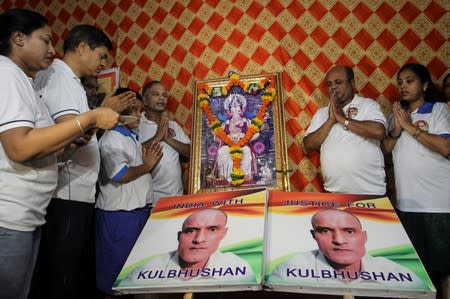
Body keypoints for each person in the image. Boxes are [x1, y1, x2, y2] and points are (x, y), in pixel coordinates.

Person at [0, 9, 118, 299]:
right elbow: (19, 147)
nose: (52, 50)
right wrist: (89, 119)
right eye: (45, 39)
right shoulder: (7, 73)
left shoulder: (22, 78)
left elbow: (39, 140)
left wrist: (69, 140)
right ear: (18, 38)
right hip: (13, 212)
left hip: (28, 212)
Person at [29, 24, 132, 299]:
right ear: (83, 47)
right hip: (68, 191)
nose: (102, 64)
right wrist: (103, 112)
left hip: (75, 190)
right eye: (100, 56)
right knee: (63, 274)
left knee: (68, 271)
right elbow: (69, 134)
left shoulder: (69, 81)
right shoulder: (62, 79)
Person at [382, 63, 450, 298]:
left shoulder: (439, 110)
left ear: (425, 85)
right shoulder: (396, 114)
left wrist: (410, 127)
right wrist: (396, 130)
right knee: (416, 270)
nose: (403, 86)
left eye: (409, 81)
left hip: (439, 204)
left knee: (444, 268)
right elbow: (385, 151)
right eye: (400, 82)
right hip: (407, 204)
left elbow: (445, 147)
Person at [96, 96, 163, 296]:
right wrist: (148, 166)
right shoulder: (111, 139)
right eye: (133, 110)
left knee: (136, 275)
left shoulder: (130, 137)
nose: (138, 115)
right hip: (119, 216)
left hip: (137, 213)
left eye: (138, 109)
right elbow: (119, 174)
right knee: (115, 280)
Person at [269, 209, 425, 289]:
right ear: (313, 235)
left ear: (364, 237)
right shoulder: (289, 270)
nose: (339, 240)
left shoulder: (397, 273)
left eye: (349, 231)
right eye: (325, 231)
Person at [303, 66, 387, 195]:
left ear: (352, 83)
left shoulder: (368, 105)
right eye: (329, 84)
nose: (333, 87)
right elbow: (308, 145)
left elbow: (379, 131)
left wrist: (342, 119)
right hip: (334, 192)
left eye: (338, 82)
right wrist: (331, 120)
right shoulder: (322, 113)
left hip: (370, 191)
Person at [121, 209, 255, 285]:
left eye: (212, 229)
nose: (199, 239)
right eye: (190, 231)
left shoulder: (236, 268)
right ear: (179, 236)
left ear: (223, 234)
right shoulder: (146, 270)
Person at [139, 80, 190, 206]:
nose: (161, 98)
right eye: (156, 94)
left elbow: (190, 152)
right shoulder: (137, 125)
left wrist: (167, 138)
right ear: (144, 101)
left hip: (176, 198)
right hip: (150, 200)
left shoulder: (173, 126)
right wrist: (157, 137)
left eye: (164, 95)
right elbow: (133, 155)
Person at [216, 94, 257, 183]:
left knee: (246, 150)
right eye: (233, 107)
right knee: (222, 150)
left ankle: (245, 175)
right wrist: (226, 138)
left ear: (241, 109)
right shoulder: (225, 123)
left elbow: (257, 134)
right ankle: (224, 176)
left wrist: (246, 138)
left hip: (242, 145)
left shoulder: (247, 121)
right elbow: (217, 137)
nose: (235, 109)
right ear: (229, 110)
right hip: (229, 146)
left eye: (237, 107)